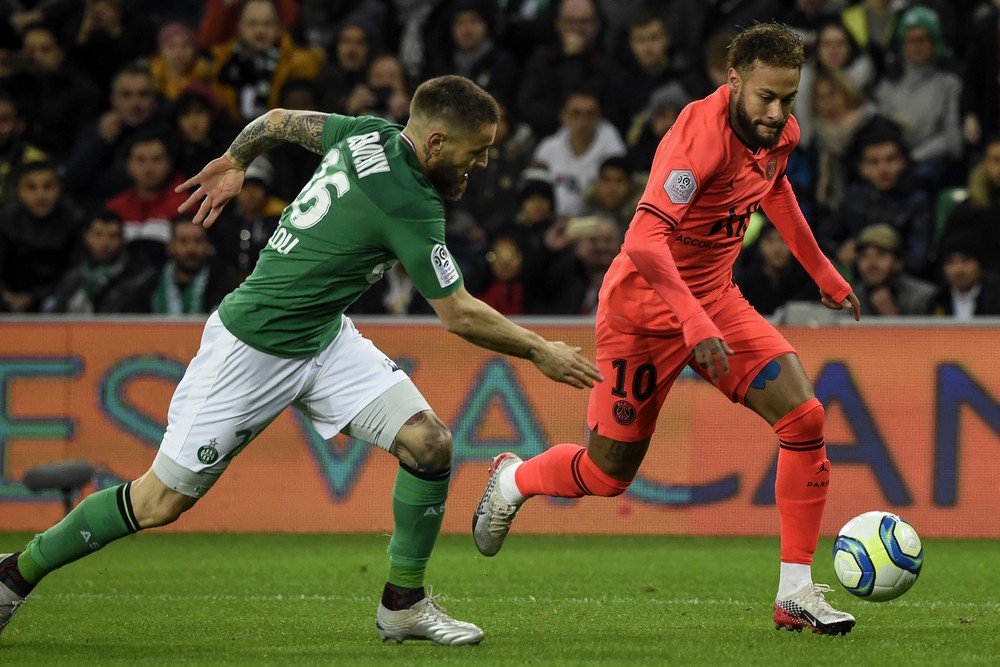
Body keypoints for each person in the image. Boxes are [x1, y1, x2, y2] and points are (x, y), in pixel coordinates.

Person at [0, 75, 600, 645]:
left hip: (323, 335)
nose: (485, 163)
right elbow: (459, 313)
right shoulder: (409, 201)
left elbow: (280, 121)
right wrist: (539, 349)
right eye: (479, 150)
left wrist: (237, 159)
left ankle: (403, 606)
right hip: (252, 347)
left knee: (430, 444)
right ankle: (14, 574)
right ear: (437, 141)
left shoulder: (367, 133)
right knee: (161, 501)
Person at [472, 23, 863, 636]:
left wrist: (823, 272)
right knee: (607, 474)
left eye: (789, 97)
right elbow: (644, 240)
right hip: (643, 316)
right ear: (732, 81)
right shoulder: (696, 140)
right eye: (766, 96)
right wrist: (691, 319)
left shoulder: (778, 130)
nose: (779, 111)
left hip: (716, 302)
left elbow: (775, 187)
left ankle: (795, 592)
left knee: (804, 418)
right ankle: (515, 478)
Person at [851, 223, 936, 316]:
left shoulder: (923, 297)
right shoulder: (849, 298)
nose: (871, 264)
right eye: (864, 256)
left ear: (898, 262)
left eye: (881, 255)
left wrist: (892, 316)